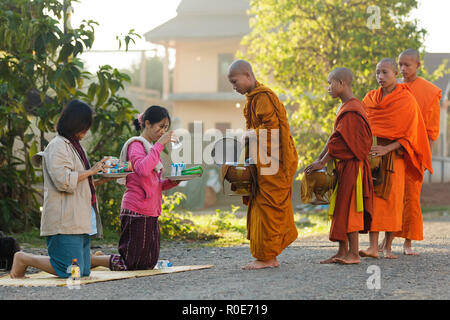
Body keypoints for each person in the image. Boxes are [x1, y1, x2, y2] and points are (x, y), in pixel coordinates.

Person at [10, 100, 111, 278]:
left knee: (84, 271)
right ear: (75, 124)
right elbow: (63, 181)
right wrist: (91, 170)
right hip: (64, 222)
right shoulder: (58, 145)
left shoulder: (75, 146)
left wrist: (102, 178)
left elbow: (81, 181)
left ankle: (64, 260)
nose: (86, 131)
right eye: (84, 126)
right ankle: (23, 258)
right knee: (70, 271)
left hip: (79, 219)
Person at [227, 59, 298, 270]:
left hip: (274, 163)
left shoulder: (264, 97)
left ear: (248, 75)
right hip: (263, 161)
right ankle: (267, 256)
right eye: (231, 83)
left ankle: (267, 258)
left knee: (268, 207)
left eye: (235, 81)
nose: (234, 87)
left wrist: (252, 134)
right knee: (260, 207)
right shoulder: (252, 99)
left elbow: (273, 130)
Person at [91, 105, 179, 271]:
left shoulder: (151, 149)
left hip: (151, 210)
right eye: (160, 126)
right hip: (136, 209)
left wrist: (174, 181)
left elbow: (155, 185)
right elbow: (142, 169)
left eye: (166, 128)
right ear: (147, 124)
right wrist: (159, 145)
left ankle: (100, 258)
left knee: (149, 262)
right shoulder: (136, 145)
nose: (163, 131)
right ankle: (93, 260)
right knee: (130, 262)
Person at [360, 58, 432, 259]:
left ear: (395, 75)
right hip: (373, 157)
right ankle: (373, 247)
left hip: (395, 157)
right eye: (377, 73)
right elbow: (362, 125)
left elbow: (411, 134)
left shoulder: (406, 100)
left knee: (392, 202)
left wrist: (387, 149)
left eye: (385, 73)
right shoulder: (370, 98)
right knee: (374, 202)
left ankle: (388, 246)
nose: (380, 77)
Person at [304, 68, 373, 265]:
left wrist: (323, 161)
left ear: (341, 83)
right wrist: (320, 160)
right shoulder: (344, 107)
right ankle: (342, 251)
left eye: (330, 83)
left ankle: (354, 254)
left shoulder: (353, 109)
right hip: (343, 166)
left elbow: (344, 143)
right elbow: (334, 138)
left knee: (350, 207)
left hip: (353, 166)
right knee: (340, 208)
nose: (328, 87)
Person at [393, 48, 441, 255]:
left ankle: (408, 243)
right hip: (393, 150)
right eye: (400, 65)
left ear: (418, 66)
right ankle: (386, 243)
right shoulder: (392, 88)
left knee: (411, 197)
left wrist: (424, 156)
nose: (403, 69)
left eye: (407, 65)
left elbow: (431, 130)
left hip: (416, 152)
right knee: (392, 195)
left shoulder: (429, 92)